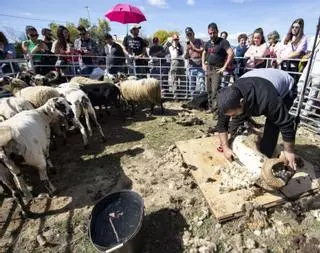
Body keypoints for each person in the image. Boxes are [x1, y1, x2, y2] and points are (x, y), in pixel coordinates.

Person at [216, 68, 297, 170]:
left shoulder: (267, 100)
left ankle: (264, 158)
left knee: (273, 125)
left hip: (284, 88)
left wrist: (289, 152)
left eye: (233, 114)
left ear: (242, 102)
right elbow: (222, 124)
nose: (231, 117)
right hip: (256, 81)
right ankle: (234, 143)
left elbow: (286, 123)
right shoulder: (227, 99)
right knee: (238, 117)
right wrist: (225, 147)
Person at [202, 22, 234, 113]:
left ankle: (216, 111)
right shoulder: (207, 43)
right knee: (208, 90)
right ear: (208, 33)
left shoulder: (223, 42)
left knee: (215, 90)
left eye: (214, 32)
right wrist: (203, 64)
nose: (212, 35)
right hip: (208, 68)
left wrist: (224, 67)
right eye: (210, 33)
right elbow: (204, 53)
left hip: (217, 69)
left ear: (217, 31)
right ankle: (210, 108)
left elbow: (231, 53)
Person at [278, 18, 308, 84]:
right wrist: (278, 59)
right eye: (293, 27)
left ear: (300, 29)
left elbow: (298, 52)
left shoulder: (303, 38)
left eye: (297, 27)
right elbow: (279, 50)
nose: (294, 29)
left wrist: (283, 58)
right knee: (282, 83)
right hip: (282, 65)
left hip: (292, 66)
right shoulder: (286, 37)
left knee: (291, 85)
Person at [184, 27, 205, 96]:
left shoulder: (200, 41)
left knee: (202, 83)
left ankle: (202, 98)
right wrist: (187, 51)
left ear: (193, 33)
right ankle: (193, 98)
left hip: (200, 66)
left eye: (190, 34)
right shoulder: (187, 44)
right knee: (192, 84)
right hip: (191, 66)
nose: (189, 36)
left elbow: (202, 50)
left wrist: (193, 48)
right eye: (188, 34)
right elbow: (185, 57)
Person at [168, 34, 186, 98]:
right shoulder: (170, 48)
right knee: (174, 80)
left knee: (183, 79)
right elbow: (171, 56)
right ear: (173, 40)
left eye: (177, 39)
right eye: (175, 39)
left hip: (181, 63)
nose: (176, 40)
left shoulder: (181, 47)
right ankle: (175, 95)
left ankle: (183, 95)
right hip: (174, 63)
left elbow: (183, 55)